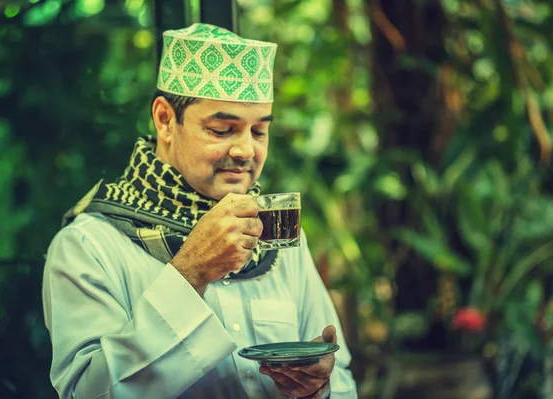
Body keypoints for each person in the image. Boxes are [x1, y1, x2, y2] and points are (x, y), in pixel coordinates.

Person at [42, 23, 357, 399]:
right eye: (223, 129)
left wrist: (317, 387)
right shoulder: (89, 245)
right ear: (164, 120)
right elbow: (86, 394)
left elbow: (341, 381)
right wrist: (191, 274)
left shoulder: (277, 235)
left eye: (258, 131)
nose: (246, 151)